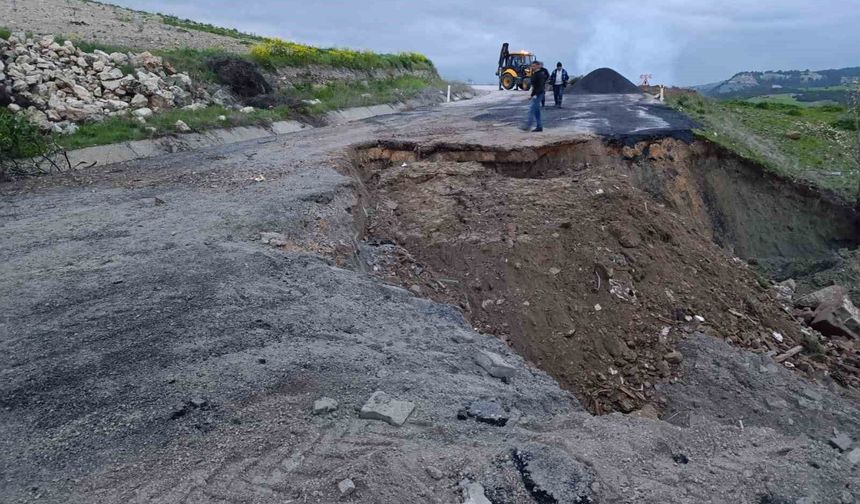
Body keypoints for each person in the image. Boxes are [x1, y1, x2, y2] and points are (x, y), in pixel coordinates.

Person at [523, 61, 547, 132]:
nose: (532, 67)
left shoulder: (540, 74)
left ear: (538, 66)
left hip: (539, 94)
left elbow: (540, 86)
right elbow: (534, 86)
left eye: (533, 66)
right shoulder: (534, 74)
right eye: (532, 66)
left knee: (532, 109)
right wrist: (531, 95)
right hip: (537, 93)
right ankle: (539, 127)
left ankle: (528, 126)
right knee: (537, 111)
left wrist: (535, 95)